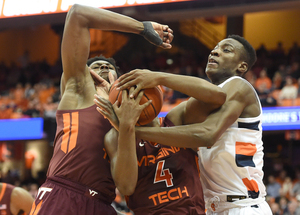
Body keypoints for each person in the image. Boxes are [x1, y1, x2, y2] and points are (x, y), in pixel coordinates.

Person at [29, 3, 173, 215]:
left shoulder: (129, 116)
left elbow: (126, 187)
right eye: (97, 66)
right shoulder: (77, 88)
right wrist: (142, 27)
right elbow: (78, 14)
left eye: (110, 67)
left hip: (102, 204)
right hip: (64, 193)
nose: (104, 67)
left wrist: (124, 123)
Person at [113, 35, 272, 214]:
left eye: (226, 50)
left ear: (241, 66)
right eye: (215, 48)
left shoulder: (239, 86)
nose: (215, 52)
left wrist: (133, 130)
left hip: (243, 205)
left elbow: (207, 134)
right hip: (214, 208)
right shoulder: (204, 103)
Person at [94, 69, 226, 214]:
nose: (135, 99)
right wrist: (126, 127)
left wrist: (160, 77)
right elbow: (126, 187)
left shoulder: (176, 119)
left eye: (140, 92)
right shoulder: (115, 137)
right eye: (129, 96)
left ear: (156, 92)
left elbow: (218, 96)